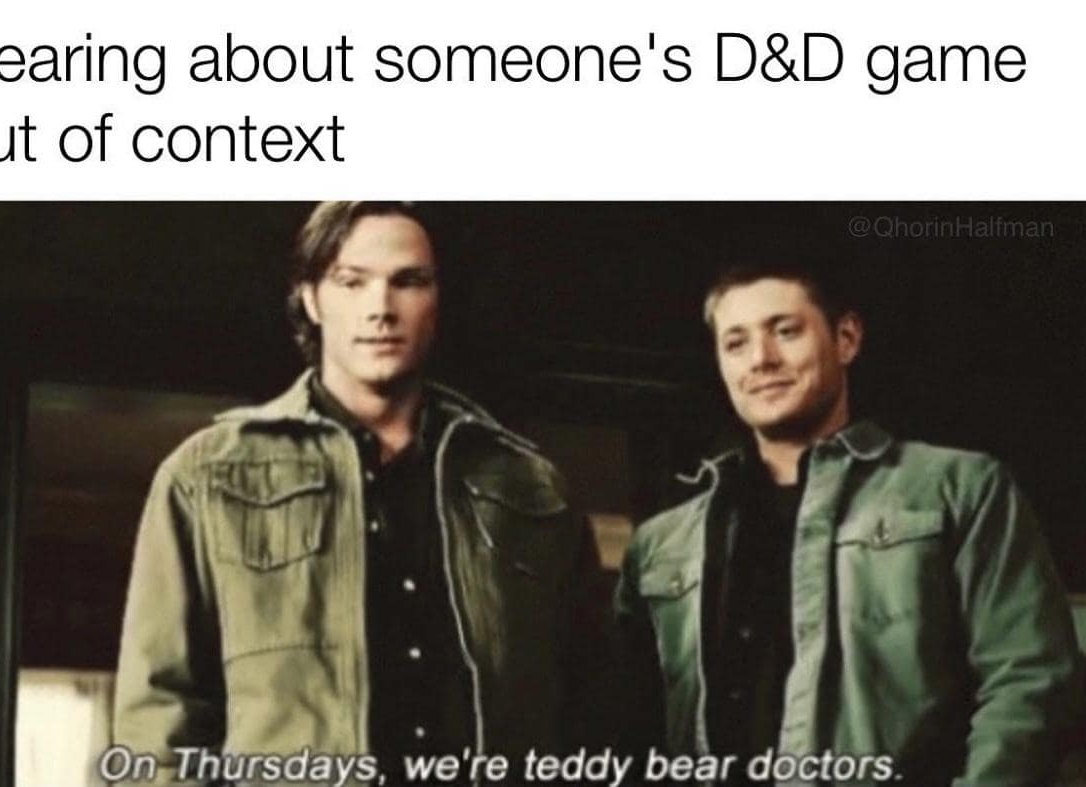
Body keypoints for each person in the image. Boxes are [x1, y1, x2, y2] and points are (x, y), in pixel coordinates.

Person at [114, 202, 601, 785]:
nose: (381, 308)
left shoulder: (531, 487)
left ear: (438, 300)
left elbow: (593, 712)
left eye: (409, 281)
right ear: (312, 299)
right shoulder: (207, 476)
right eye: (352, 281)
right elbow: (159, 721)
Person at [615, 263, 1083, 786]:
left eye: (785, 331)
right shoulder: (661, 544)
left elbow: (1031, 680)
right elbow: (628, 724)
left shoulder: (960, 489)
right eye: (736, 343)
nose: (761, 359)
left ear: (846, 339)